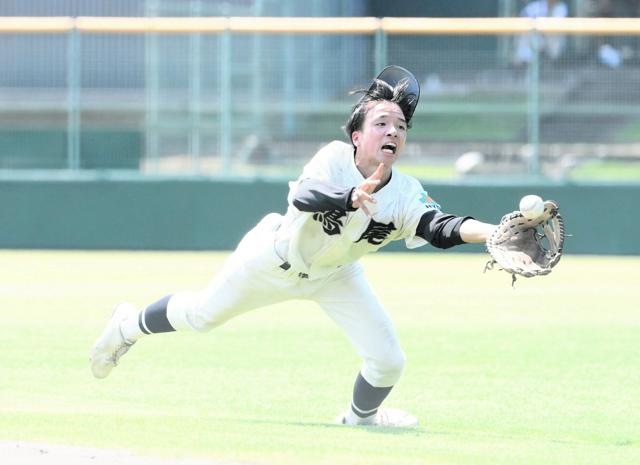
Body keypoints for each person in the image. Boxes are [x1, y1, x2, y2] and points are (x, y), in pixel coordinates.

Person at [90, 66, 497, 427]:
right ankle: (127, 323)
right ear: (357, 136)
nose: (393, 131)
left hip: (337, 276)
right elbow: (305, 195)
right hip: (274, 258)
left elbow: (439, 226)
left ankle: (359, 420)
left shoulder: (407, 192)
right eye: (382, 123)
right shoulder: (334, 159)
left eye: (401, 126)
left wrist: (492, 233)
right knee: (201, 316)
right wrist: (349, 196)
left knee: (389, 361)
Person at [514, 0, 569, 66]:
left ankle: (552, 63)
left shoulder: (561, 7)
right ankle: (524, 64)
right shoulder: (538, 5)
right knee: (524, 35)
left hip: (552, 37)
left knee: (555, 37)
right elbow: (523, 15)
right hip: (537, 35)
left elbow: (557, 26)